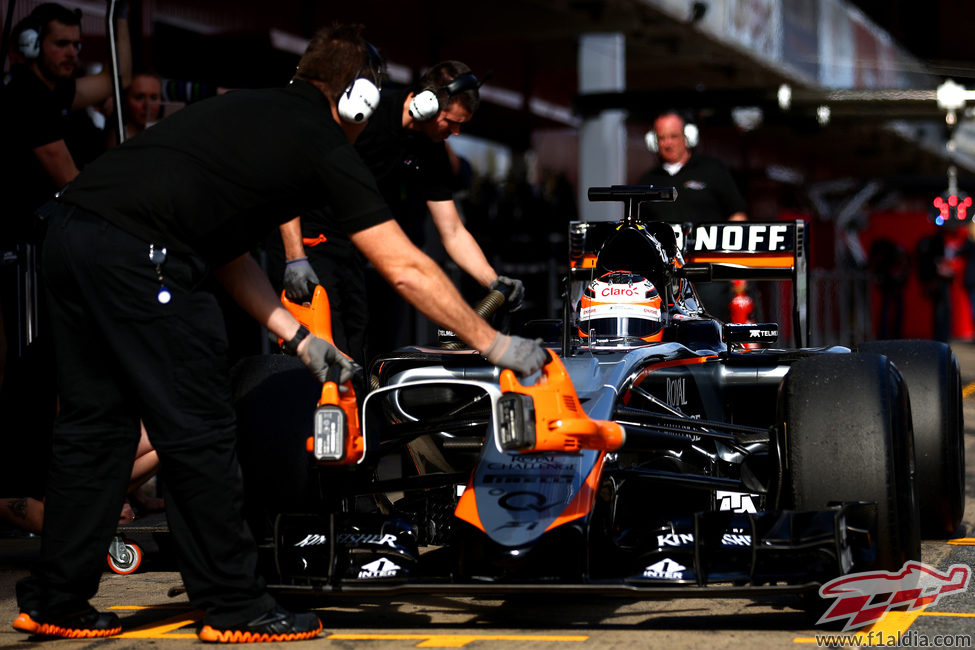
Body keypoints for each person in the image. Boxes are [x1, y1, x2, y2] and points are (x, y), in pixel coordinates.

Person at [12, 23, 546, 642]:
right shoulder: (320, 139)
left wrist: (299, 339)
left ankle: (55, 600)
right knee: (203, 429)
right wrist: (494, 343)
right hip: (143, 256)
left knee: (95, 426)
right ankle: (235, 607)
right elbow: (403, 265)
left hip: (74, 235)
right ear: (357, 100)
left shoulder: (249, 113)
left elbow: (226, 253)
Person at [270, 61, 524, 365]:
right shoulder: (366, 114)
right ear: (426, 103)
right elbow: (290, 177)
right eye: (451, 122)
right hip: (306, 241)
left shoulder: (431, 148)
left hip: (350, 249)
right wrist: (294, 256)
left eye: (461, 125)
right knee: (318, 351)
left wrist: (493, 282)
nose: (456, 132)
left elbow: (453, 231)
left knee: (355, 346)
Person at [636, 111, 749, 322]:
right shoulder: (647, 181)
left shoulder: (712, 170)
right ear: (654, 141)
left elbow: (737, 214)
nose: (668, 143)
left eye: (674, 136)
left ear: (687, 137)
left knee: (712, 326)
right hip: (664, 274)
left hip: (710, 269)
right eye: (662, 138)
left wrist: (737, 267)